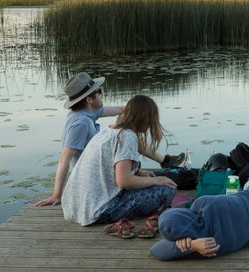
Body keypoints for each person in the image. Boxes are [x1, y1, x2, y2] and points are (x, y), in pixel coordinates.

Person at [35, 72, 185, 207]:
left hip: (103, 170)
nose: (102, 94)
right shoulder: (80, 124)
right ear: (88, 99)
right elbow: (64, 159)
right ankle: (163, 163)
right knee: (162, 185)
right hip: (94, 180)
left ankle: (164, 161)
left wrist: (139, 107)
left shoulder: (87, 113)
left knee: (126, 125)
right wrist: (57, 194)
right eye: (99, 92)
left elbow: (122, 110)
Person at [61, 94, 178, 227]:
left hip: (74, 207)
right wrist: (157, 181)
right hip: (98, 211)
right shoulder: (127, 137)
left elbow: (109, 167)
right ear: (145, 118)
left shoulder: (109, 130)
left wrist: (137, 171)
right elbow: (123, 181)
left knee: (156, 179)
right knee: (168, 188)